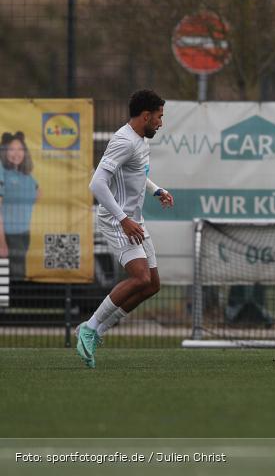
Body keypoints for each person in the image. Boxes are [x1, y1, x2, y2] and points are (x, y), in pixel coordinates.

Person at [78, 90, 174, 368]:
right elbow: (96, 184)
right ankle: (89, 327)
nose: (161, 122)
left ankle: (97, 332)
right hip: (116, 220)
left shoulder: (140, 139)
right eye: (159, 116)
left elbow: (136, 174)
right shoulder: (123, 141)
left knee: (153, 285)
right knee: (141, 278)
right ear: (146, 116)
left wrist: (156, 190)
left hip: (134, 220)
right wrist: (123, 219)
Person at [0, 132, 40, 281]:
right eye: (11, 149)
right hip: (7, 235)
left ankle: (11, 303)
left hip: (23, 234)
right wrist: (2, 241)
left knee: (17, 276)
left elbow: (38, 192)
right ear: (4, 151)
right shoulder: (2, 171)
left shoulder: (25, 175)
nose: (16, 153)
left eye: (20, 149)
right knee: (10, 279)